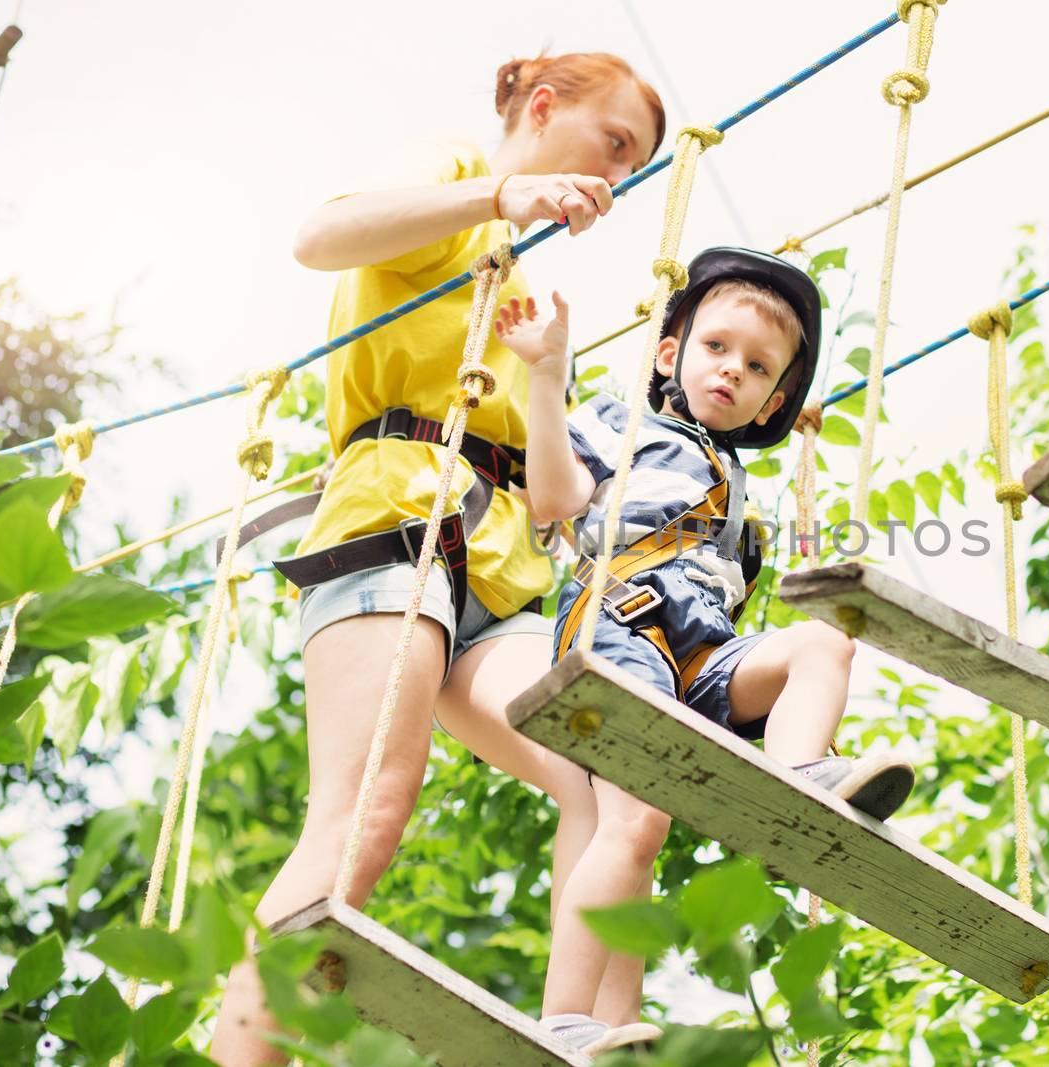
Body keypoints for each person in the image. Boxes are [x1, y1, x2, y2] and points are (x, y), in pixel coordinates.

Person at [211, 52, 667, 1065]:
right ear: (543, 108)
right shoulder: (455, 178)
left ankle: (577, 1023)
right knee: (366, 807)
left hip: (500, 562)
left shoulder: (519, 288)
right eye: (614, 142)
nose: (618, 173)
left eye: (632, 161)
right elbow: (318, 235)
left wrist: (549, 373)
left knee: (604, 776)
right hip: (396, 520)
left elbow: (556, 500)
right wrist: (500, 190)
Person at [493, 247, 917, 1046]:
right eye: (715, 348)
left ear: (772, 400)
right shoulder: (619, 423)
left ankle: (801, 776)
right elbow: (553, 499)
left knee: (821, 643)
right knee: (635, 824)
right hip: (621, 629)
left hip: (703, 654)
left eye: (756, 368)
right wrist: (548, 378)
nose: (730, 371)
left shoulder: (737, 487)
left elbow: (731, 607)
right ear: (669, 354)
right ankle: (565, 1019)